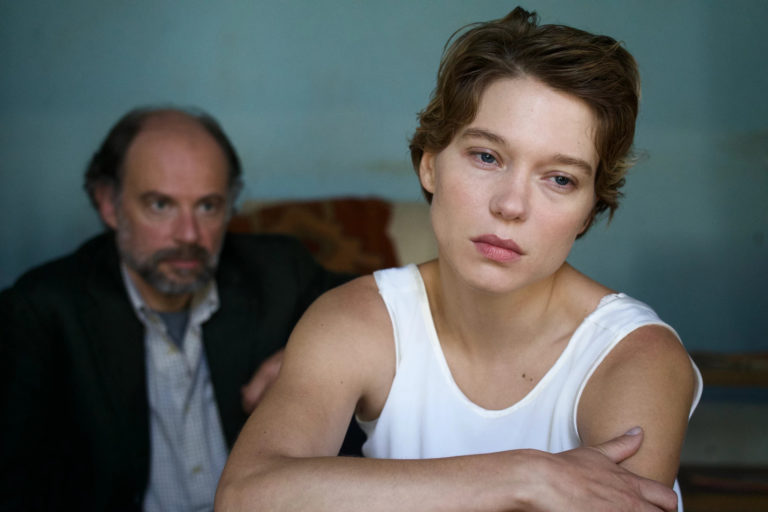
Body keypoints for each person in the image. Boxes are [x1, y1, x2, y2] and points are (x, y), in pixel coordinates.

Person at [216, 7, 703, 512]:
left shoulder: (636, 357)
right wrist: (524, 475)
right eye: (486, 156)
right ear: (430, 164)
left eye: (560, 179)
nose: (510, 205)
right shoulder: (359, 321)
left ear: (588, 212)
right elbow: (245, 495)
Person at [0, 106, 357, 511]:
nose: (189, 235)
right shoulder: (39, 313)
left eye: (208, 206)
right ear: (108, 203)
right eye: (160, 205)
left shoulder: (280, 272)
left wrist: (314, 352)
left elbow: (387, 306)